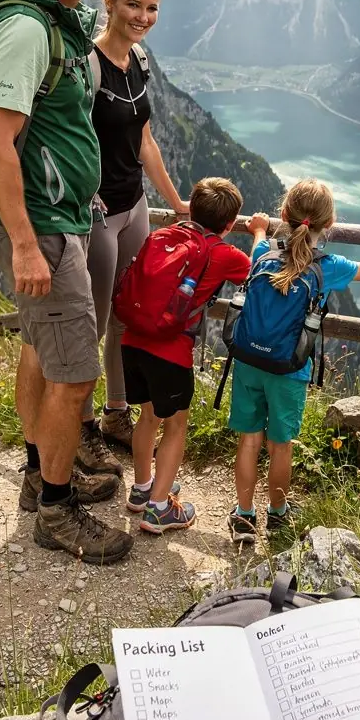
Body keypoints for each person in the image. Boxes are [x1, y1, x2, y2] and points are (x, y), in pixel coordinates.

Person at [0, 0, 133, 567]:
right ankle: (57, 511)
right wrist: (24, 245)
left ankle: (42, 471)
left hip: (56, 218)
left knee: (42, 352)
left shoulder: (54, 16)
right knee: (76, 373)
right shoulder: (23, 27)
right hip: (38, 230)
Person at [227, 179, 360, 544]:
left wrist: (259, 228)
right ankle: (277, 514)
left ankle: (243, 515)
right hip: (289, 369)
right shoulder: (328, 266)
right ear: (329, 223)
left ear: (284, 215)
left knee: (249, 440)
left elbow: (256, 246)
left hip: (248, 360)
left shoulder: (264, 254)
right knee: (281, 444)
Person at [85, 0, 190, 453]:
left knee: (129, 315)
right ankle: (80, 427)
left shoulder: (140, 62)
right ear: (108, 1)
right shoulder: (89, 64)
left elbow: (145, 141)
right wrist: (87, 195)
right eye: (133, 5)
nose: (143, 17)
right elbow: (68, 138)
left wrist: (177, 203)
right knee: (93, 318)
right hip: (98, 213)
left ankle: (116, 414)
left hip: (136, 206)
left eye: (151, 8)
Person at [122, 177, 251, 533]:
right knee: (176, 425)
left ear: (190, 209)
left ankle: (142, 488)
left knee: (148, 417)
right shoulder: (225, 254)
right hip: (171, 353)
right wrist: (257, 234)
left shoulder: (167, 235)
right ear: (229, 224)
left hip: (132, 340)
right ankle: (160, 508)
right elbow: (256, 272)